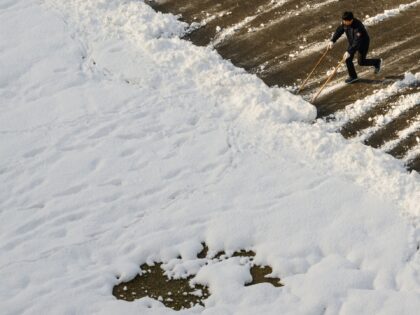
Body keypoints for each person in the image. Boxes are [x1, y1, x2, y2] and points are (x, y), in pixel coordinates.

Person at [328, 11, 382, 84]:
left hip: (362, 43)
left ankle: (376, 62)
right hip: (352, 42)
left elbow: (357, 41)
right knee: (347, 59)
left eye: (346, 21)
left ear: (351, 20)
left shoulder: (358, 27)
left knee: (361, 62)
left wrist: (349, 51)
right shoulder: (344, 23)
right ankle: (353, 77)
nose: (344, 22)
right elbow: (339, 31)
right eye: (343, 21)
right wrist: (332, 40)